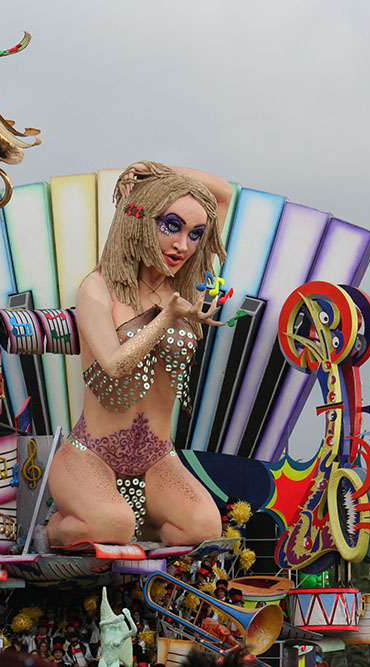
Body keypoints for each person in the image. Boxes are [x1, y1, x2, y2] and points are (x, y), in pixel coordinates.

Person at [46, 162, 230, 547]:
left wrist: (157, 169)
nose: (183, 245)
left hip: (157, 460)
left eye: (195, 234)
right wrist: (167, 318)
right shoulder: (99, 288)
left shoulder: (185, 287)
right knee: (110, 525)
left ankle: (134, 524)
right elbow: (115, 366)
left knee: (203, 528)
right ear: (141, 221)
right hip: (90, 454)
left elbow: (223, 194)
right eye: (171, 226)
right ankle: (55, 529)